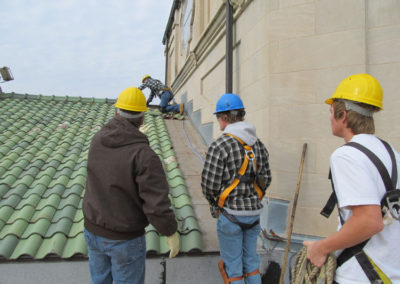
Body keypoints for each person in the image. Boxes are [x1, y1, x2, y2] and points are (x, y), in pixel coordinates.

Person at [303, 74, 400, 283]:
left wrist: (322, 247)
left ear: (343, 115)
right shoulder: (390, 152)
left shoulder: (346, 155)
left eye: (331, 112)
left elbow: (369, 220)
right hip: (391, 271)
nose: (329, 118)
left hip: (361, 275)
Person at [83, 87, 180, 284]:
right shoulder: (144, 155)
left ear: (115, 112)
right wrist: (170, 231)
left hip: (92, 231)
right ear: (143, 119)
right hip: (124, 238)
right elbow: (156, 204)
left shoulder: (97, 140)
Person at [201, 93, 272, 284]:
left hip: (230, 214)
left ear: (224, 118)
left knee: (233, 269)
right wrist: (253, 197)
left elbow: (208, 185)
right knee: (251, 265)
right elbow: (267, 179)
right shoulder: (259, 145)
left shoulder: (220, 145)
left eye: (218, 118)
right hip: (254, 214)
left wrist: (215, 205)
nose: (218, 122)